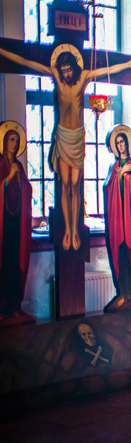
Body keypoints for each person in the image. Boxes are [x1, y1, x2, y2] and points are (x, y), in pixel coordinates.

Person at [0, 44, 131, 250]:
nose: (66, 74)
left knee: (75, 185)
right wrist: (3, 52)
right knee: (65, 184)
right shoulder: (57, 78)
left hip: (76, 137)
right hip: (62, 136)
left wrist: (128, 64)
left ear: (75, 68)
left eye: (68, 70)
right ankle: (67, 229)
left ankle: (75, 229)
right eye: (63, 70)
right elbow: (27, 62)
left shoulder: (83, 78)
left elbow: (105, 70)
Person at [102, 128, 131, 312]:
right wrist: (120, 175)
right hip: (118, 222)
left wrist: (127, 177)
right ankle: (123, 294)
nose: (120, 145)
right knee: (120, 255)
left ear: (127, 144)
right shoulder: (114, 167)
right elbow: (108, 188)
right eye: (118, 143)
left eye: (122, 142)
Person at [0, 126, 33, 326]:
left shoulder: (18, 165)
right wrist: (9, 178)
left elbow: (26, 189)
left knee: (15, 264)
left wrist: (21, 183)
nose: (15, 143)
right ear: (5, 143)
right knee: (4, 265)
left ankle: (14, 307)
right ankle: (2, 309)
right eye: (12, 140)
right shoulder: (1, 164)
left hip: (16, 223)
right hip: (2, 225)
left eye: (17, 140)